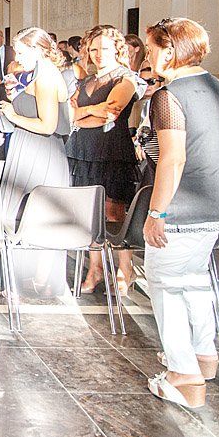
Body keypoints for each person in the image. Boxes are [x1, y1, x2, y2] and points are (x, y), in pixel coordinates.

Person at [142, 17, 219, 409]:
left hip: (185, 205)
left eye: (151, 49)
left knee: (166, 286)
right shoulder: (214, 84)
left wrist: (157, 213)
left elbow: (173, 159)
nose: (148, 56)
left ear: (169, 50)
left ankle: (183, 375)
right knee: (195, 280)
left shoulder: (168, 96)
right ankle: (204, 355)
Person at [0, 27, 72, 297]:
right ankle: (24, 277)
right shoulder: (39, 73)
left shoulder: (47, 76)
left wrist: (12, 115)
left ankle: (31, 278)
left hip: (40, 152)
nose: (17, 57)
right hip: (29, 147)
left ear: (38, 49)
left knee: (31, 215)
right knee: (23, 214)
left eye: (21, 52)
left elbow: (48, 125)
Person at [67, 25, 140, 295]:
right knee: (89, 212)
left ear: (117, 50)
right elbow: (70, 115)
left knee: (113, 212)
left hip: (113, 149)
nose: (99, 54)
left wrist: (83, 114)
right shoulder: (85, 81)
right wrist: (91, 112)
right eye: (94, 49)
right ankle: (95, 268)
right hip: (84, 151)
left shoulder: (126, 78)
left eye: (105, 49)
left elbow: (112, 113)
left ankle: (125, 269)